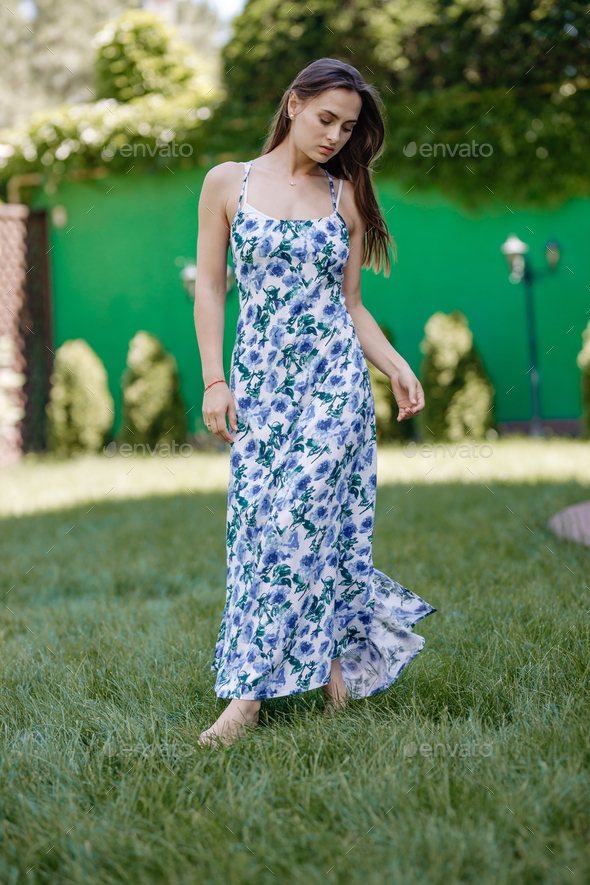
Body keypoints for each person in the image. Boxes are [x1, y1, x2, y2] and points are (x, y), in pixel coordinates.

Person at [193, 57, 436, 747]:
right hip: (261, 389)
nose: (335, 135)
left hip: (333, 386)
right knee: (258, 529)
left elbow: (351, 305)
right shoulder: (226, 182)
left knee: (298, 518)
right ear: (294, 103)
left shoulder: (345, 194)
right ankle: (331, 665)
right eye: (326, 118)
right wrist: (215, 378)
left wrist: (393, 365)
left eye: (348, 126)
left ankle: (246, 698)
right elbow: (211, 287)